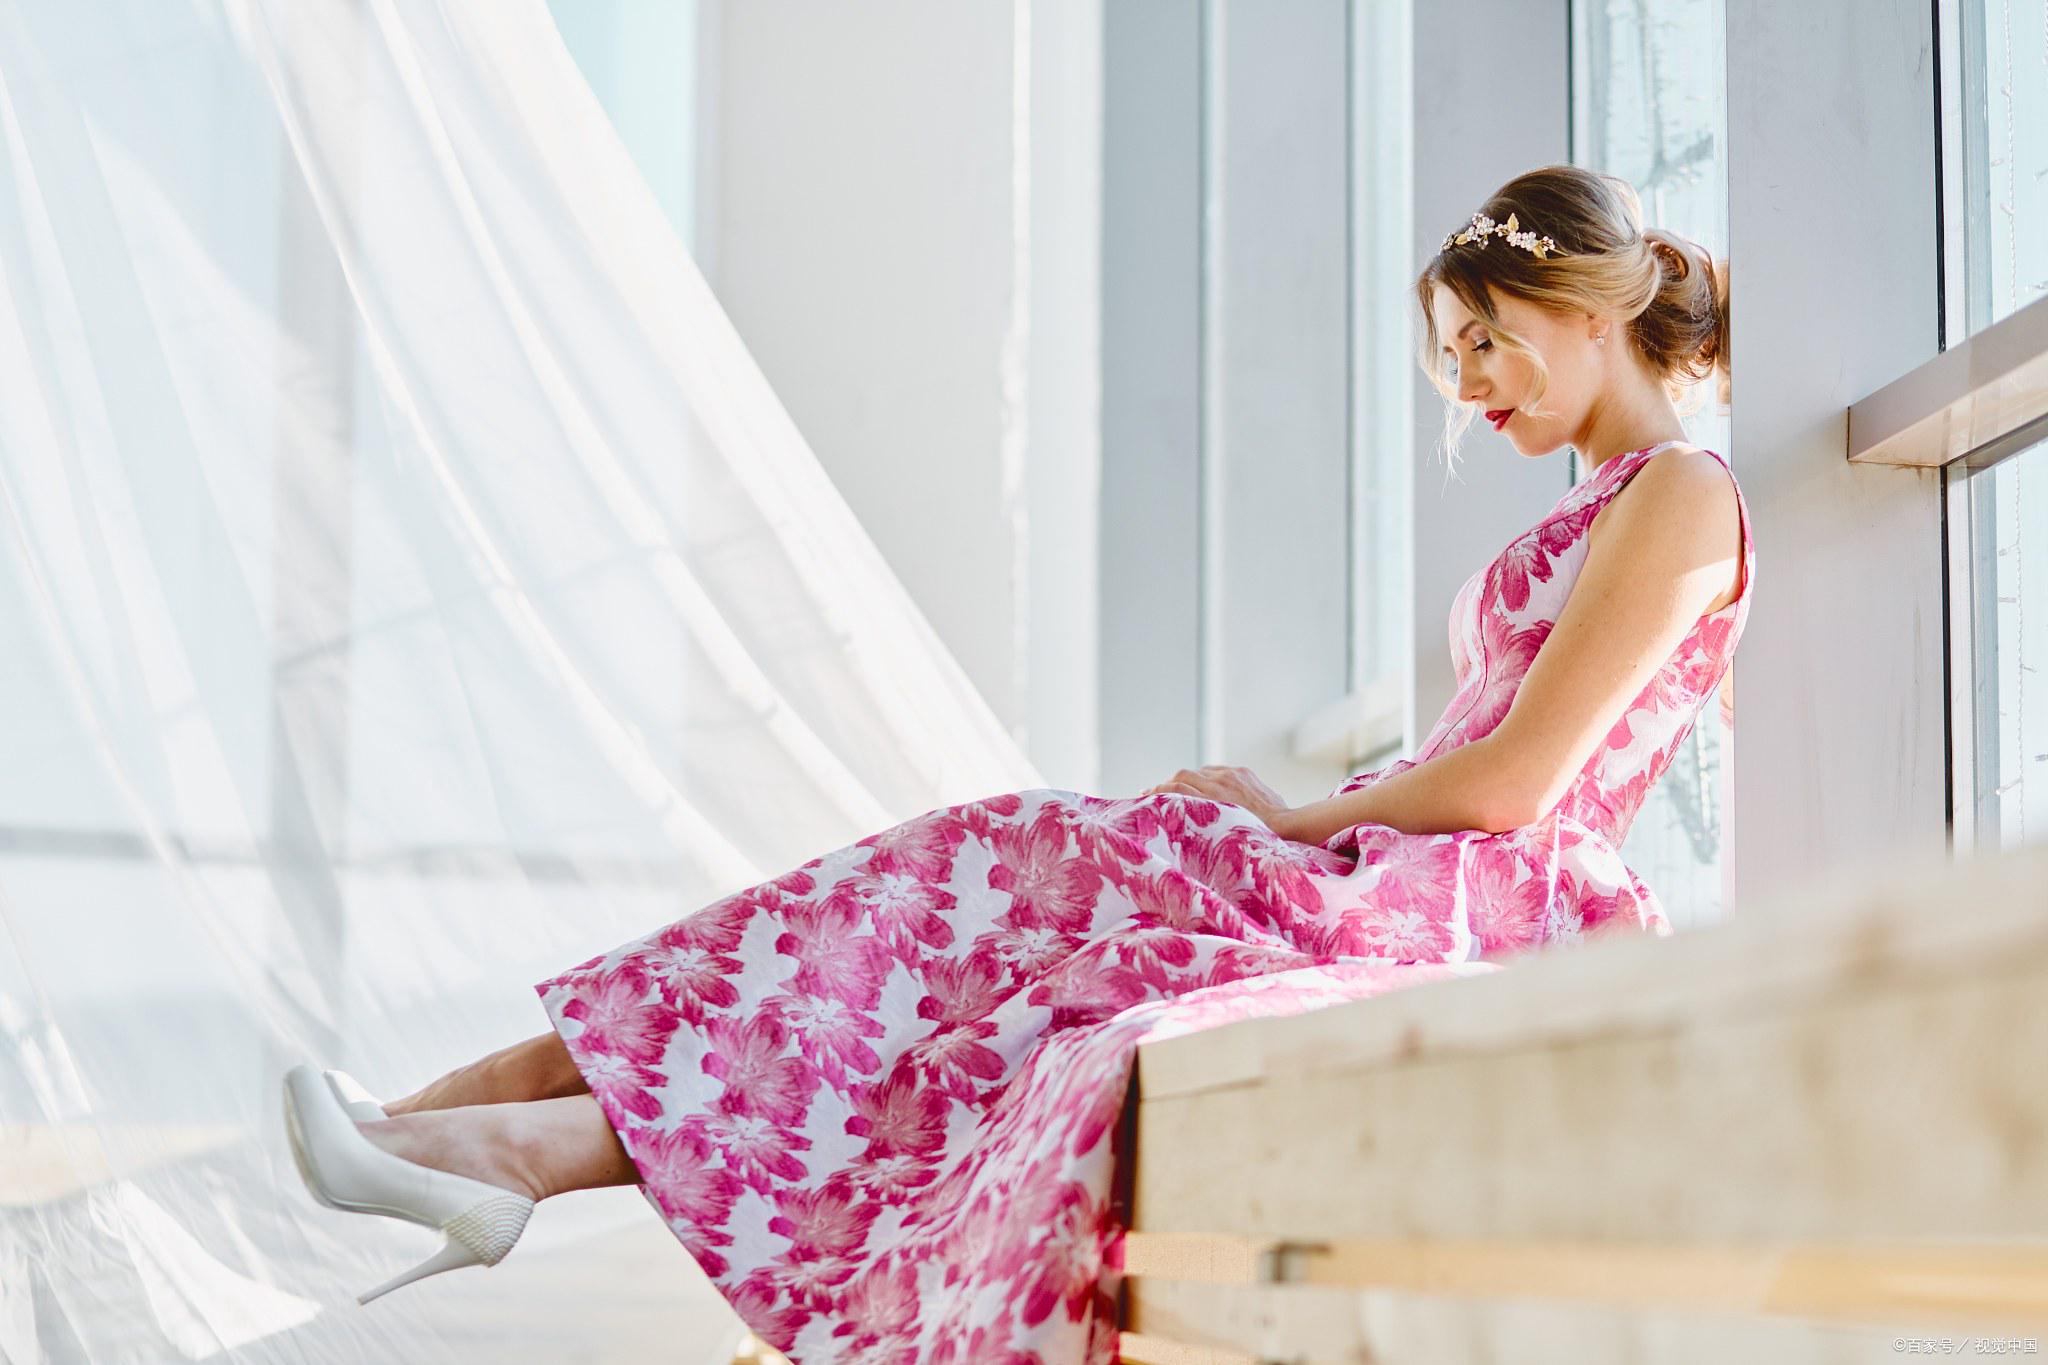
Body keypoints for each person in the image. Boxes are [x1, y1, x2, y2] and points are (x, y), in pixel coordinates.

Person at [280, 162, 1751, 1363]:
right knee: (931, 921)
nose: (1465, 381)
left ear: (1586, 305)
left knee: (993, 875)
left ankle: (479, 1149)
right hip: (1417, 874)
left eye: (1484, 338)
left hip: (1484, 903)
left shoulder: (1683, 494)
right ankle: (441, 1130)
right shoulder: (1614, 503)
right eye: (1451, 352)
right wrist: (1296, 821)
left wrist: (1296, 819)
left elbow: (1517, 784)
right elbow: (1478, 764)